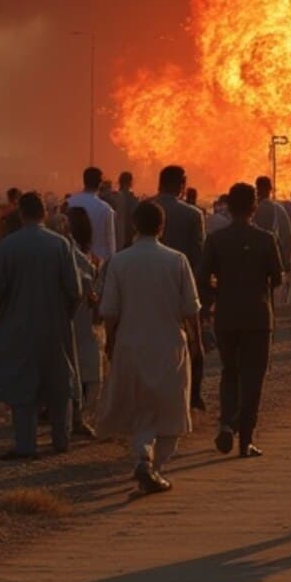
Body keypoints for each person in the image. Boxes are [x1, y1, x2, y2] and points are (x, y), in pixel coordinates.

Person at [97, 199, 202, 493]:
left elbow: (110, 311)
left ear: (134, 226)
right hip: (169, 345)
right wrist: (195, 341)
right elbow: (191, 309)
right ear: (162, 227)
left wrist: (111, 342)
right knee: (170, 412)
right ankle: (155, 467)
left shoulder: (120, 261)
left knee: (142, 410)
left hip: (131, 344)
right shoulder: (177, 260)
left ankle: (144, 456)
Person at [0, 191, 81, 460]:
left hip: (17, 326)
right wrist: (64, 316)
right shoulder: (61, 244)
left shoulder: (7, 246)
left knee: (21, 384)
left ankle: (26, 444)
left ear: (21, 214)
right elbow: (75, 291)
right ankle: (61, 439)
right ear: (43, 213)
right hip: (55, 326)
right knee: (59, 383)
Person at [198, 182, 285, 458]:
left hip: (227, 315)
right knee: (253, 378)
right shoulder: (266, 239)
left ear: (229, 206)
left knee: (230, 372)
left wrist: (219, 293)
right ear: (254, 207)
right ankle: (244, 438)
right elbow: (278, 277)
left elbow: (201, 277)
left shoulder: (216, 239)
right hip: (258, 317)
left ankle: (226, 422)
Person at [153, 164, 209, 410]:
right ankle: (193, 395)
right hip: (181, 286)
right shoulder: (192, 214)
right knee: (194, 341)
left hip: (148, 286)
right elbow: (199, 256)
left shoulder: (145, 208)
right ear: (181, 184)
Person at [64, 206, 104, 438]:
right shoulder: (82, 257)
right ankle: (76, 418)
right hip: (81, 319)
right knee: (83, 368)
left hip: (70, 318)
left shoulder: (69, 251)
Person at [66, 165, 118, 263]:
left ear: (84, 181)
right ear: (100, 184)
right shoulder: (106, 209)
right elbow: (110, 242)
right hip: (100, 262)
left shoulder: (69, 203)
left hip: (73, 259)